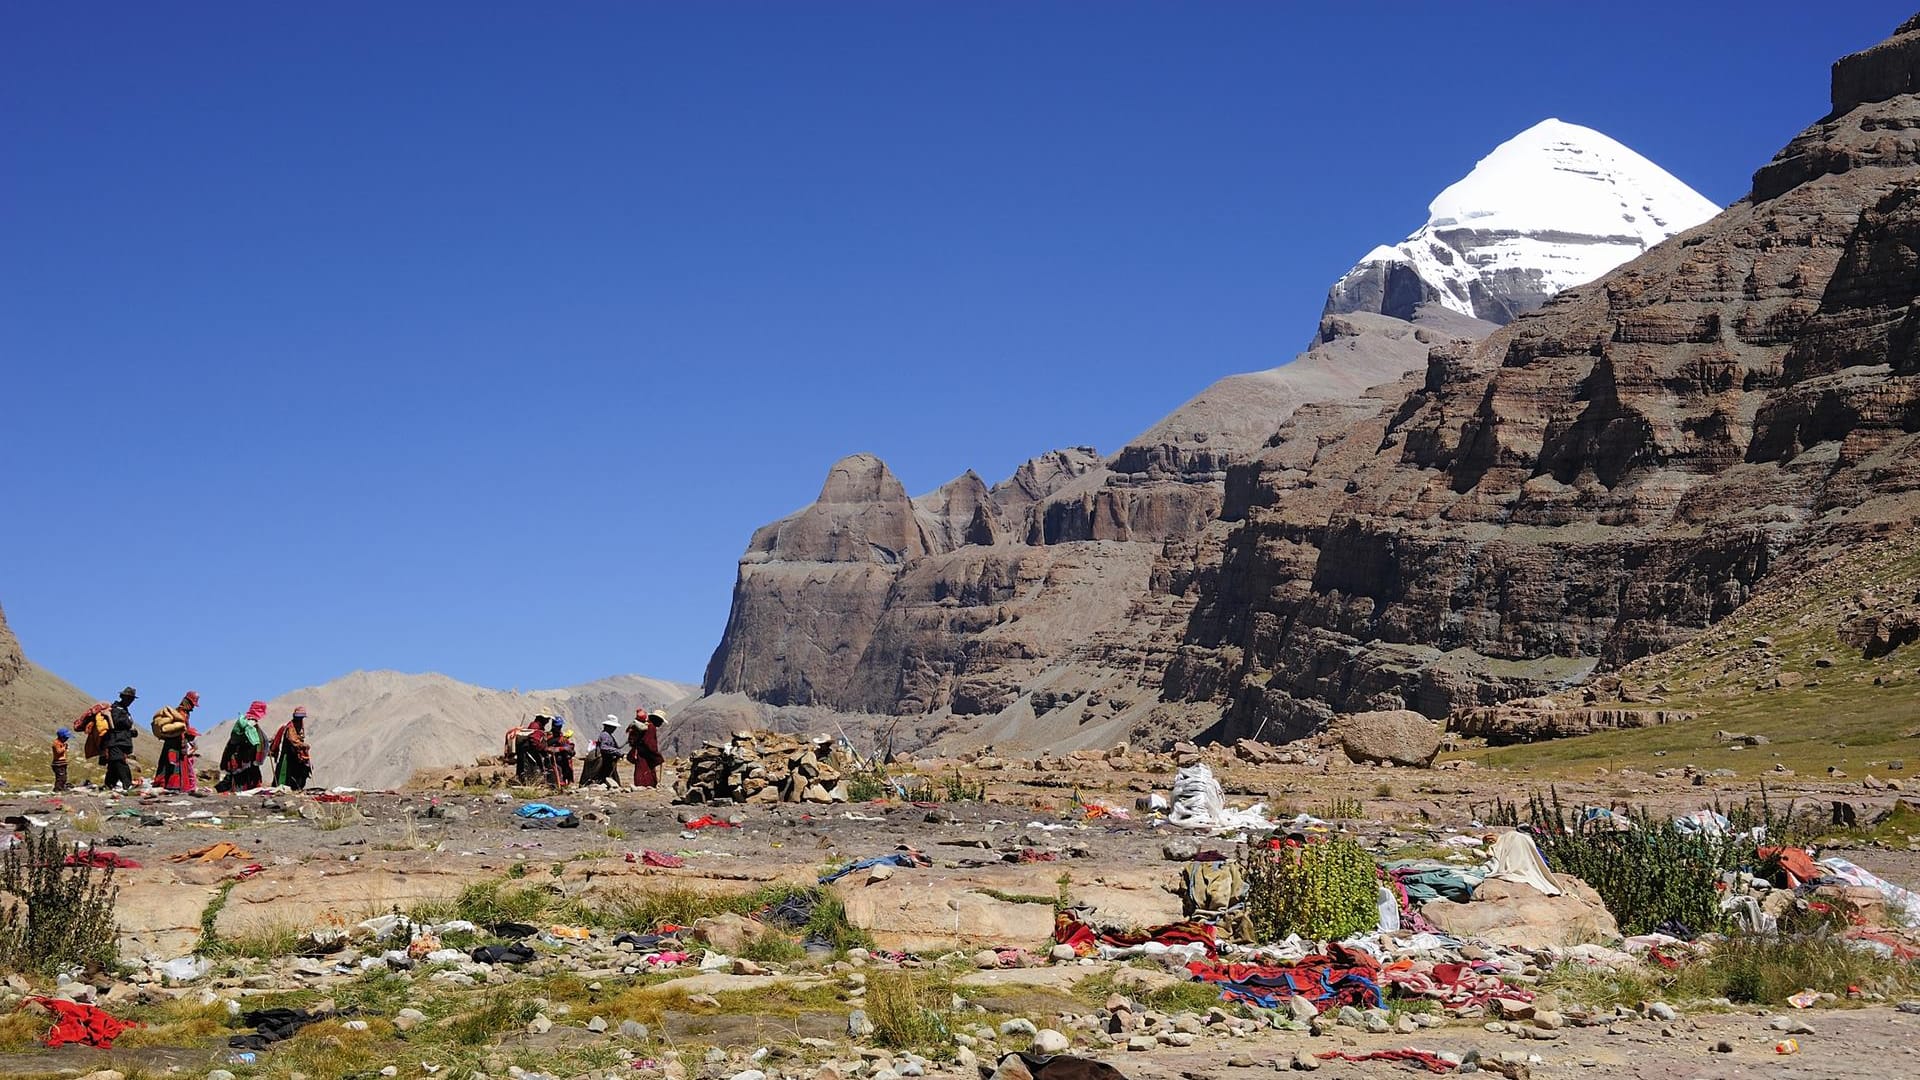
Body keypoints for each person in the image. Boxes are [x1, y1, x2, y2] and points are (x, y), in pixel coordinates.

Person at [151, 691, 201, 793]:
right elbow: (182, 730)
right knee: (173, 764)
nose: (193, 708)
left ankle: (165, 785)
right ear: (188, 702)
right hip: (176, 743)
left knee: (167, 764)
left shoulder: (181, 712)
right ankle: (172, 786)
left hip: (172, 742)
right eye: (192, 705)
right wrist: (183, 743)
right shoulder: (182, 713)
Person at [218, 701, 269, 793]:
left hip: (245, 755)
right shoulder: (250, 723)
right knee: (242, 776)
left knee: (248, 774)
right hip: (244, 756)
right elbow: (252, 740)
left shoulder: (246, 721)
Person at [271, 706, 313, 790]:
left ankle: (295, 786)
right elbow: (293, 740)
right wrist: (303, 745)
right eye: (299, 718)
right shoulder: (290, 727)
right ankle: (280, 786)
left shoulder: (300, 725)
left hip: (295, 753)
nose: (300, 719)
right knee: (284, 770)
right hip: (288, 752)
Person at [102, 700, 139, 790]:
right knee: (119, 762)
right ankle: (127, 784)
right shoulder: (116, 709)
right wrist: (128, 725)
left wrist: (130, 732)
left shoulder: (124, 710)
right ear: (124, 697)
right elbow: (116, 723)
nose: (130, 701)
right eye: (129, 698)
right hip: (115, 740)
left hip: (121, 741)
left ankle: (109, 784)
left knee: (114, 763)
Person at [626, 709, 665, 788]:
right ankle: (644, 787)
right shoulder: (651, 727)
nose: (661, 723)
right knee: (646, 774)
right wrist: (657, 756)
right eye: (661, 721)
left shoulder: (648, 726)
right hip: (645, 756)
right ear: (657, 719)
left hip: (642, 754)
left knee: (641, 771)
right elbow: (648, 744)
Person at [581, 716, 621, 786]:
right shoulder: (605, 735)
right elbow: (604, 747)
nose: (615, 729)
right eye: (613, 727)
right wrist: (616, 751)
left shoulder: (608, 735)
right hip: (602, 759)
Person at [552, 723, 576, 787]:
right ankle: (560, 783)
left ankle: (567, 782)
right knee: (559, 770)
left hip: (564, 757)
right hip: (558, 757)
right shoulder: (552, 736)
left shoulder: (561, 737)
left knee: (567, 770)